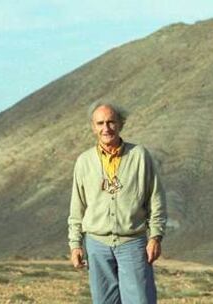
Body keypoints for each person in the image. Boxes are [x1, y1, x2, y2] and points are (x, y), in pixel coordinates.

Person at [68, 101, 167, 304]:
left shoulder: (139, 156)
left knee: (141, 300)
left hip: (133, 243)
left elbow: (155, 198)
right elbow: (77, 207)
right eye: (101, 123)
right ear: (93, 127)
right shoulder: (84, 161)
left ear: (121, 124)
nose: (106, 128)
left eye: (111, 122)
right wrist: (75, 244)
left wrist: (155, 236)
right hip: (97, 244)